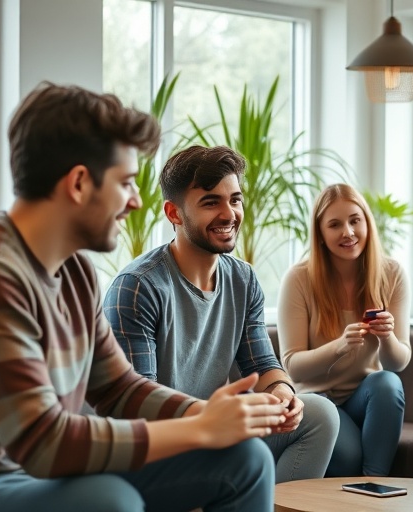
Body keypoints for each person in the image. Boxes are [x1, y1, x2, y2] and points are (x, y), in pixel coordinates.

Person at [0, 84, 285, 512]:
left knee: (244, 458)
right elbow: (42, 444)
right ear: (79, 182)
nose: (136, 202)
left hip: (30, 477)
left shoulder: (73, 269)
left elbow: (119, 388)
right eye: (125, 183)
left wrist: (209, 416)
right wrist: (200, 428)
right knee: (107, 500)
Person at [104, 145, 340, 483]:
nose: (229, 213)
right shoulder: (138, 287)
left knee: (320, 414)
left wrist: (283, 397)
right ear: (174, 213)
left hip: (216, 430)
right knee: (246, 452)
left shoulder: (243, 279)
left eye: (235, 199)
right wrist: (212, 421)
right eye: (211, 202)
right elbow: (138, 404)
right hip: (158, 446)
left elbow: (262, 365)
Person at [277, 183, 411, 477]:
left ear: (367, 223)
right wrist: (339, 346)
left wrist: (387, 337)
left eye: (355, 220)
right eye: (335, 225)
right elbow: (293, 367)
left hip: (367, 398)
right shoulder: (298, 279)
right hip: (317, 398)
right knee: (349, 457)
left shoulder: (392, 274)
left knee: (388, 383)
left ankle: (373, 488)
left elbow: (398, 362)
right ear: (321, 235)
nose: (348, 232)